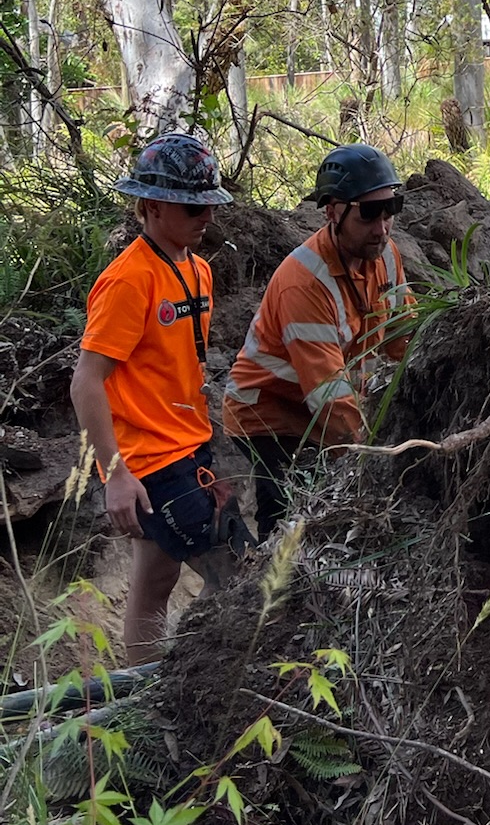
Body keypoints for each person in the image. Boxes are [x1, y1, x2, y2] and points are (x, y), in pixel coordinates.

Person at [70, 134, 250, 665]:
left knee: (155, 581)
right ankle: (201, 681)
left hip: (190, 449)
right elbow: (86, 381)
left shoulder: (198, 270)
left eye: (210, 205)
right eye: (193, 207)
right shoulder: (129, 280)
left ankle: (143, 698)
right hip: (152, 463)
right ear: (150, 206)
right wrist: (116, 473)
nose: (206, 218)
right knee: (239, 575)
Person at [223, 145, 413, 537]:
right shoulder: (305, 284)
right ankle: (260, 583)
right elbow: (330, 399)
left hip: (318, 406)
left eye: (391, 208)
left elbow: (404, 340)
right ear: (332, 212)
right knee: (285, 511)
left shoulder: (386, 255)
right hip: (267, 412)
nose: (382, 226)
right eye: (368, 212)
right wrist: (372, 462)